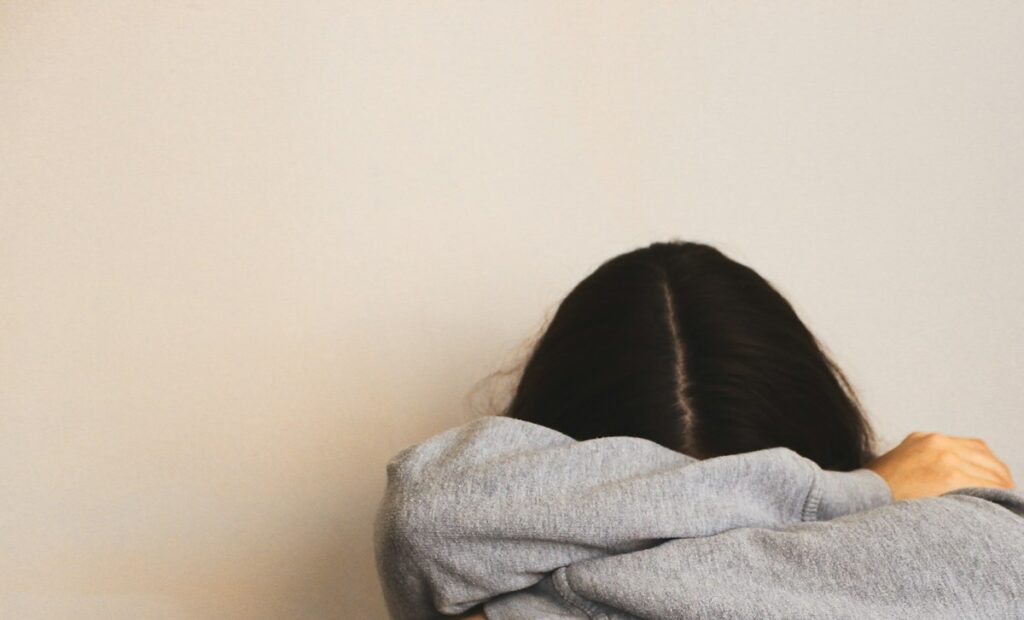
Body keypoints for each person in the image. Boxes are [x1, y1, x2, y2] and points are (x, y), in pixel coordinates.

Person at [374, 240, 1021, 619]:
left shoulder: (520, 604)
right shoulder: (970, 542)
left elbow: (428, 518)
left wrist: (859, 492)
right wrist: (852, 496)